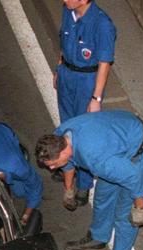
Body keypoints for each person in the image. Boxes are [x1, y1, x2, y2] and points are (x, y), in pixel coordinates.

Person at [35, 110, 143, 250]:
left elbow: (133, 178)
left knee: (125, 218)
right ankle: (98, 238)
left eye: (53, 163)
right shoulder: (60, 136)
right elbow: (68, 163)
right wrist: (69, 190)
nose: (52, 168)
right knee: (102, 196)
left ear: (65, 150)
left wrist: (140, 208)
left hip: (139, 153)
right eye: (49, 166)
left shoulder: (96, 159)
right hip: (117, 142)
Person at [52, 0, 116, 209]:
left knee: (84, 135)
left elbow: (104, 64)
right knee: (66, 129)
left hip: (86, 82)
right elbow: (63, 41)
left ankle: (85, 183)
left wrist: (96, 98)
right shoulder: (68, 11)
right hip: (67, 76)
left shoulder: (102, 24)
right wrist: (59, 68)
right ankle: (67, 168)